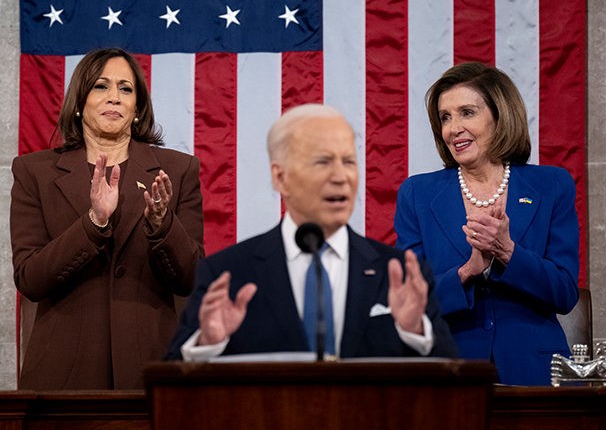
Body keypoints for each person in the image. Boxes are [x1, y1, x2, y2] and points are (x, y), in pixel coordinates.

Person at [166, 104, 457, 361]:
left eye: (348, 161)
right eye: (323, 162)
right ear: (281, 177)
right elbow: (172, 385)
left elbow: (452, 385)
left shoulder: (401, 275)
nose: (341, 177)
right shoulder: (227, 274)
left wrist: (416, 331)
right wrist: (207, 343)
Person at [11, 48, 205, 389]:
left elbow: (190, 279)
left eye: (126, 88)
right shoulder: (34, 172)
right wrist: (93, 222)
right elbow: (30, 279)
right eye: (101, 86)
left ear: (137, 108)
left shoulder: (178, 169)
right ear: (78, 102)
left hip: (152, 373)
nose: (114, 97)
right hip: (63, 378)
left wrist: (162, 226)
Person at [394, 62, 579, 385]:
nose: (453, 128)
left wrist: (508, 252)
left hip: (535, 375)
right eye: (445, 117)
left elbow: (564, 293)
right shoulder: (417, 194)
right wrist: (468, 271)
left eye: (467, 112)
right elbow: (409, 304)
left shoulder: (552, 185)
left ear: (500, 115)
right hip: (449, 373)